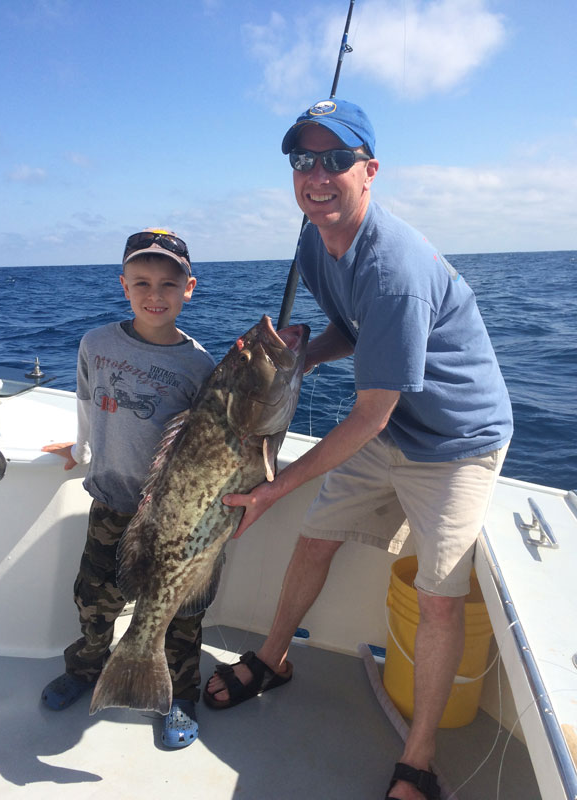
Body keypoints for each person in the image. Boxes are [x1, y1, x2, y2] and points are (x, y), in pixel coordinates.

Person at [204, 99, 513, 799]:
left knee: (438, 598)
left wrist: (275, 486)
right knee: (314, 540)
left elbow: (371, 415)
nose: (317, 174)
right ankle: (273, 659)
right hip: (394, 422)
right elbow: (354, 328)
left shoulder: (395, 268)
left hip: (457, 441)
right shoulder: (314, 241)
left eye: (336, 159)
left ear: (369, 171)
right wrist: (302, 362)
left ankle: (421, 757)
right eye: (302, 159)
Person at [41, 228, 216, 750]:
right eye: (142, 281)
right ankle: (87, 666)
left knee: (182, 614)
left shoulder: (199, 365)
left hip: (176, 521)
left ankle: (180, 694)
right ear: (123, 285)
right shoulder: (95, 343)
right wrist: (79, 449)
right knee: (94, 599)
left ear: (190, 288)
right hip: (111, 505)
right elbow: (87, 402)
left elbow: (210, 445)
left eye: (169, 282)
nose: (154, 294)